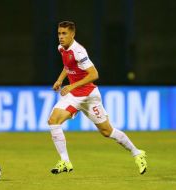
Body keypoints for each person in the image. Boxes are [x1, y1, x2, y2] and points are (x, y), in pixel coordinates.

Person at [48, 21, 147, 175]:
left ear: (72, 34)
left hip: (89, 96)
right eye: (59, 33)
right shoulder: (61, 48)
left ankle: (137, 153)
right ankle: (65, 161)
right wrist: (60, 80)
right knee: (53, 121)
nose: (61, 37)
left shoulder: (79, 52)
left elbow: (94, 74)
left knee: (107, 131)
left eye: (64, 33)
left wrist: (71, 86)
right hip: (74, 96)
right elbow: (68, 67)